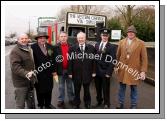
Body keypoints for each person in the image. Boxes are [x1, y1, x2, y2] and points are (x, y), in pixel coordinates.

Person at [115, 25, 148, 109]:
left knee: (134, 88)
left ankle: (133, 104)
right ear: (127, 33)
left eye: (132, 32)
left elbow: (144, 59)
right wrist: (116, 66)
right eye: (129, 32)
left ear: (135, 33)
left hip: (134, 70)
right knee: (121, 88)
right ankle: (120, 102)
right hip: (122, 69)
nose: (130, 33)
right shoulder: (121, 42)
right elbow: (117, 56)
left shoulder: (141, 43)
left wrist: (143, 71)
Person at [68, 32, 96, 109]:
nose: (81, 39)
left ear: (85, 38)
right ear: (77, 39)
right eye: (79, 38)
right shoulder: (72, 48)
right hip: (76, 73)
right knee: (76, 90)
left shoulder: (91, 48)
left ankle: (87, 103)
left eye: (82, 38)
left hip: (87, 73)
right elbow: (70, 61)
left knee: (87, 91)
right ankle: (76, 103)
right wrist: (70, 72)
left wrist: (94, 71)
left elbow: (94, 61)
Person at [10, 33, 37, 109]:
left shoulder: (28, 48)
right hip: (20, 84)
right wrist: (26, 73)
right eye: (22, 39)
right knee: (20, 105)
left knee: (31, 104)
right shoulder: (15, 51)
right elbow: (15, 67)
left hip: (29, 81)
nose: (24, 40)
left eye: (26, 38)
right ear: (18, 40)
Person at [31, 32, 57, 109]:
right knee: (39, 90)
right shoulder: (32, 47)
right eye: (40, 38)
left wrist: (54, 71)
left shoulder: (50, 47)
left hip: (49, 73)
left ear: (46, 39)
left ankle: (48, 104)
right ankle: (41, 104)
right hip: (38, 73)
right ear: (37, 39)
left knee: (49, 89)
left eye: (44, 38)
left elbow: (53, 60)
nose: (42, 39)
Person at [94, 28, 116, 109]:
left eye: (106, 36)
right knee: (98, 88)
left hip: (105, 71)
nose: (105, 37)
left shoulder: (112, 46)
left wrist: (109, 72)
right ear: (101, 36)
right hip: (97, 71)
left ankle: (107, 103)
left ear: (108, 36)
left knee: (105, 89)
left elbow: (113, 60)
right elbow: (94, 58)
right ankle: (99, 101)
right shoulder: (96, 44)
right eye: (103, 35)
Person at [55, 31, 74, 108]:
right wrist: (54, 71)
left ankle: (71, 99)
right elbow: (53, 60)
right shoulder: (55, 47)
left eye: (64, 36)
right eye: (61, 36)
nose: (63, 38)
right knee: (61, 86)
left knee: (70, 86)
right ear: (59, 38)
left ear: (67, 37)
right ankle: (61, 100)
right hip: (60, 70)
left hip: (70, 70)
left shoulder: (71, 46)